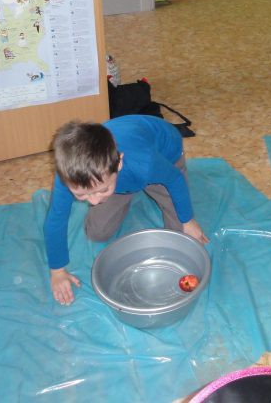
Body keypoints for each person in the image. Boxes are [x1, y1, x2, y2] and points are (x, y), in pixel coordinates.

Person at [44, 116, 210, 305]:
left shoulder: (145, 162)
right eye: (82, 195)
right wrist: (57, 271)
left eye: (102, 191)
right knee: (97, 232)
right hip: (124, 175)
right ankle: (124, 188)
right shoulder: (70, 176)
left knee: (180, 237)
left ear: (119, 163)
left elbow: (174, 179)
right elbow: (56, 220)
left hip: (166, 155)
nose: (94, 201)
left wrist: (187, 219)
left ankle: (133, 185)